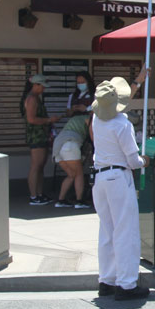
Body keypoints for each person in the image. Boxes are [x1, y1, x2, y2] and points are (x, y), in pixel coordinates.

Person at [89, 68, 151, 300]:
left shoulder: (97, 119)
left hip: (100, 178)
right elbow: (133, 161)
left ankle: (107, 279)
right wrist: (144, 161)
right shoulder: (122, 125)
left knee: (107, 230)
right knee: (126, 232)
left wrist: (137, 83)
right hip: (118, 178)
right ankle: (126, 284)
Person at [53, 71, 95, 208]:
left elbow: (95, 109)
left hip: (58, 146)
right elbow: (69, 112)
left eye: (83, 82)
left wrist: (86, 108)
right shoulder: (86, 119)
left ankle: (61, 200)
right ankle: (79, 200)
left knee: (71, 174)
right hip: (73, 143)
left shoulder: (94, 97)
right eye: (78, 82)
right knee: (78, 174)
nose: (80, 84)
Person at [22, 73, 60, 206]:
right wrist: (49, 120)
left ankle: (39, 193)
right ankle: (34, 195)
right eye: (42, 86)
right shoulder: (32, 99)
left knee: (40, 166)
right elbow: (31, 119)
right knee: (35, 166)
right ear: (35, 85)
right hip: (36, 136)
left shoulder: (36, 98)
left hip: (41, 135)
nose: (43, 89)